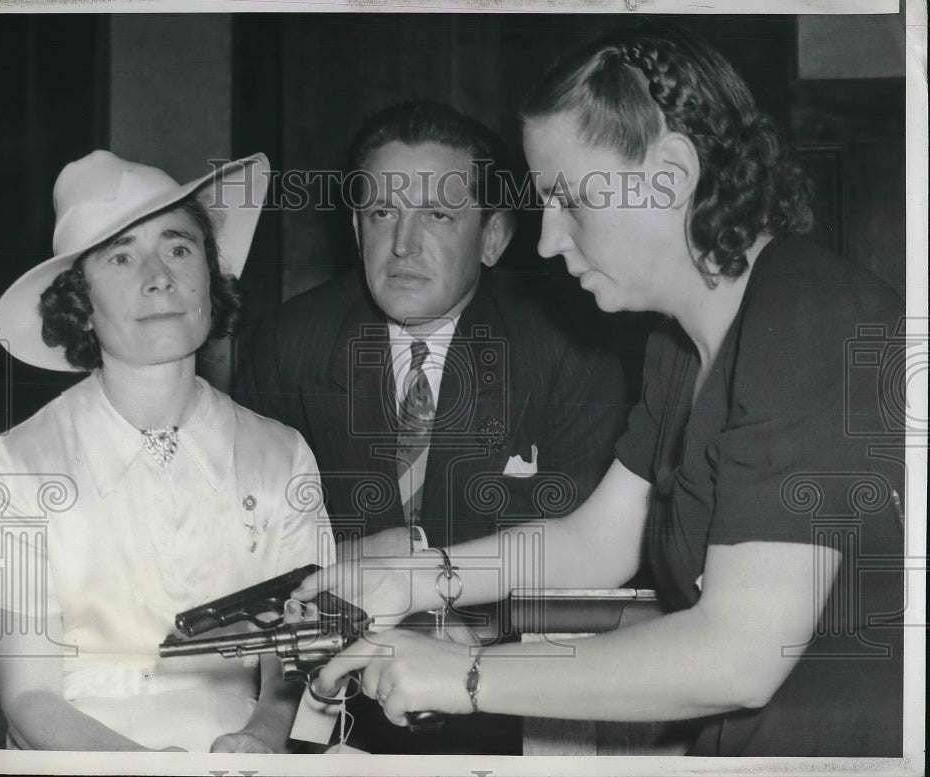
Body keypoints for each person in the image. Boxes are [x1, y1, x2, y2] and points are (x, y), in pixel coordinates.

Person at [298, 31, 906, 757]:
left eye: (568, 199)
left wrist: (466, 674)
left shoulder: (809, 315)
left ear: (672, 173)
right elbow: (595, 543)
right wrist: (411, 578)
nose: (549, 240)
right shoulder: (679, 349)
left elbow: (739, 656)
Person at [234, 100, 628, 753]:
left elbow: (589, 562)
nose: (403, 245)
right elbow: (257, 551)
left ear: (494, 237)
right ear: (357, 230)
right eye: (382, 213)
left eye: (438, 215)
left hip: (511, 697)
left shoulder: (570, 349)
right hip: (332, 698)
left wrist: (434, 579)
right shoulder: (287, 346)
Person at [0, 150, 333, 752]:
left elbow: (295, 662)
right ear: (78, 306)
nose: (158, 276)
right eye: (121, 256)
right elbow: (29, 698)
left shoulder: (281, 454)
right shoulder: (22, 463)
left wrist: (263, 739)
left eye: (179, 247)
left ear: (210, 281)